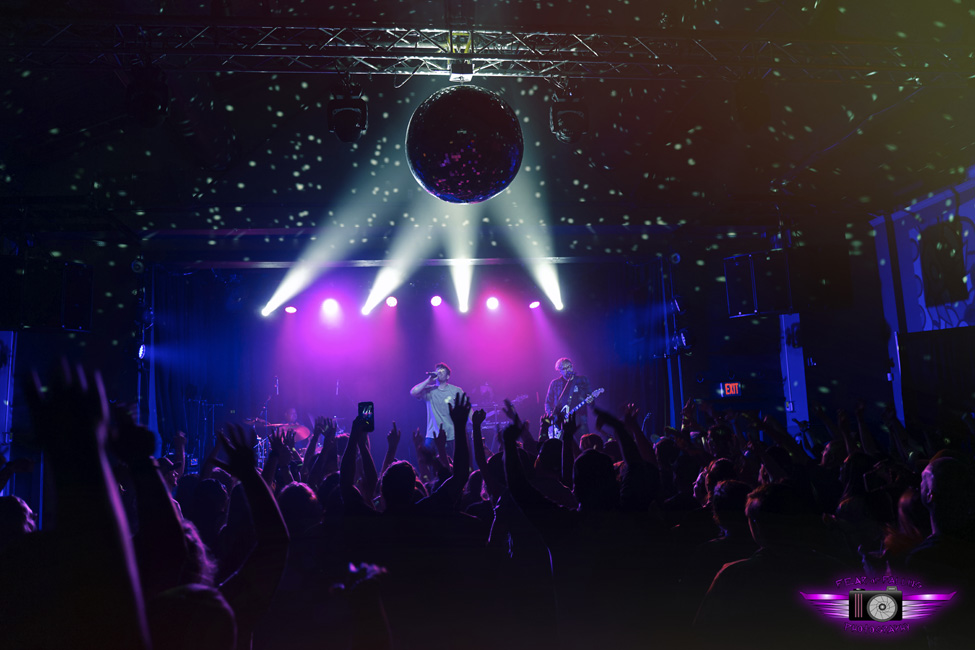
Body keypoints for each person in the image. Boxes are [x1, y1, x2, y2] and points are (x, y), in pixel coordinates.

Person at [410, 363, 464, 455]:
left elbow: (466, 409)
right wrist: (428, 380)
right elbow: (413, 392)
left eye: (443, 371)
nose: (440, 371)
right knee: (431, 462)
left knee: (452, 463)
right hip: (432, 435)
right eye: (438, 370)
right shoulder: (428, 390)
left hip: (451, 435)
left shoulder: (456, 390)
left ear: (447, 376)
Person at [544, 357, 595, 438]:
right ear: (559, 371)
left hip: (579, 420)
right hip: (560, 422)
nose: (569, 370)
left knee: (585, 443)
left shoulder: (582, 380)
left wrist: (591, 401)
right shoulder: (555, 383)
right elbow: (548, 402)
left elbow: (591, 401)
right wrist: (552, 415)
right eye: (565, 368)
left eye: (570, 366)